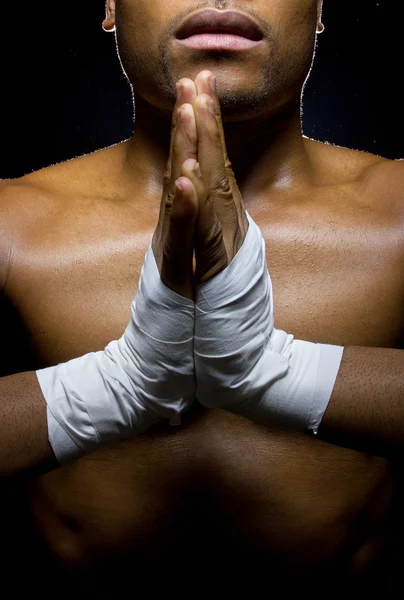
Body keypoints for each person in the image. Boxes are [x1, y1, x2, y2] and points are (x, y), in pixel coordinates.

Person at [0, 0, 402, 597]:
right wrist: (115, 385)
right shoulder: (10, 223)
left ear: (320, 8)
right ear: (110, 6)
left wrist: (278, 372)